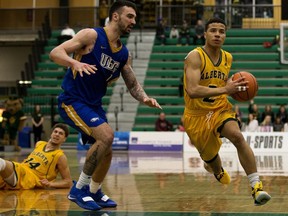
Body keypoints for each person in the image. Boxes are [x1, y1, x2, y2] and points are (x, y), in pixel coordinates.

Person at [49, 0, 162, 211]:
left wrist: (144, 98)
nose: (134, 21)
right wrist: (75, 62)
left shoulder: (123, 54)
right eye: (130, 16)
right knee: (107, 136)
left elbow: (132, 84)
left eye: (135, 18)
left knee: (108, 149)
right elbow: (56, 52)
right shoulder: (91, 35)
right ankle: (79, 189)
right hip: (72, 100)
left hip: (93, 105)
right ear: (116, 16)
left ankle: (94, 190)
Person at [182, 17, 271, 206]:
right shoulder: (195, 56)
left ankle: (256, 187)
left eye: (221, 31)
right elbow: (193, 90)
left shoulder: (227, 57)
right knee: (211, 162)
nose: (217, 34)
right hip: (196, 117)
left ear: (225, 35)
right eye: (213, 30)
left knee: (237, 136)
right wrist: (226, 89)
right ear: (205, 34)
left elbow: (223, 86)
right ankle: (217, 169)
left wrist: (234, 88)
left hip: (219, 108)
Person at [0, 123, 72, 190]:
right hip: (20, 169)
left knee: (2, 163)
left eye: (61, 133)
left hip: (30, 178)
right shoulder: (39, 143)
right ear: (51, 133)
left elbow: (68, 182)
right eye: (55, 132)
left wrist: (51, 184)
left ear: (64, 139)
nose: (57, 134)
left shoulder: (60, 156)